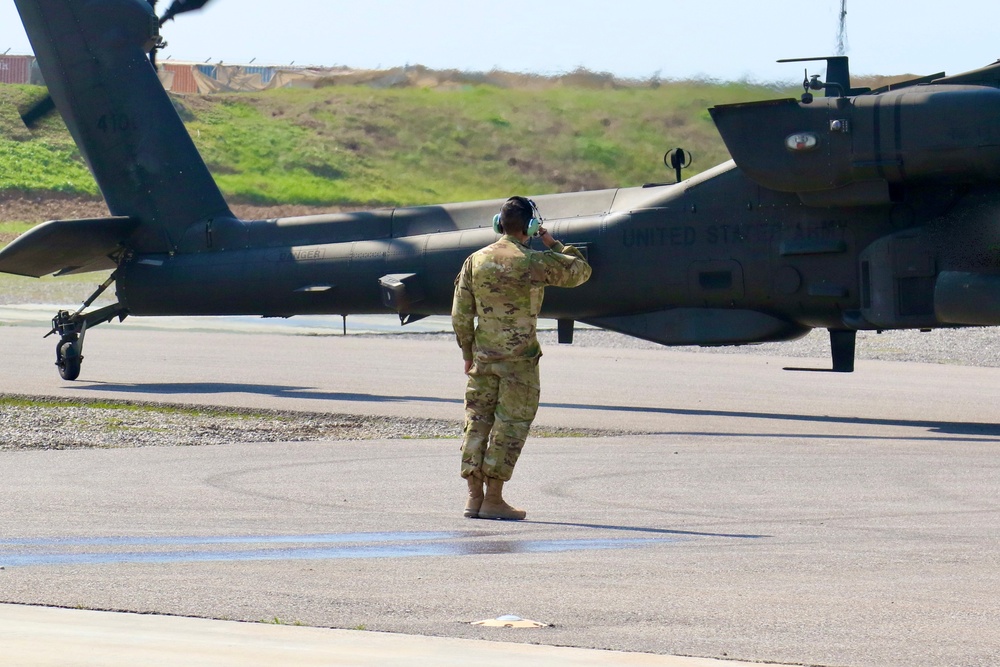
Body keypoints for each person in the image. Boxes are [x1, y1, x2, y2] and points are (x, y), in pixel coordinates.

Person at [451, 196, 592, 520]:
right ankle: (494, 498)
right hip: (519, 361)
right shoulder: (533, 261)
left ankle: (474, 497)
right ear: (529, 226)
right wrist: (552, 242)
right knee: (510, 426)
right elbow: (580, 272)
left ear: (498, 224)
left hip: (484, 359)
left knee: (477, 423)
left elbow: (460, 313)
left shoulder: (475, 261)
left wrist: (468, 353)